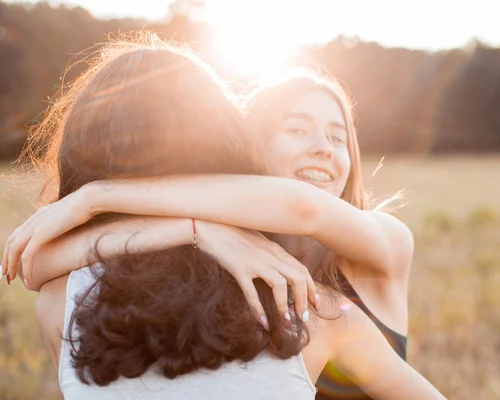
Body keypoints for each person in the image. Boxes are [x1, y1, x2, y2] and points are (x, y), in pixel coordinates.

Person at [1, 33, 443, 400]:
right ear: (249, 154)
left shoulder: (379, 245)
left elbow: (304, 209)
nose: (323, 148)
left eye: (338, 136)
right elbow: (37, 263)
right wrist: (197, 229)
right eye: (296, 129)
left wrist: (97, 196)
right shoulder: (224, 266)